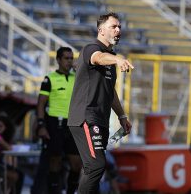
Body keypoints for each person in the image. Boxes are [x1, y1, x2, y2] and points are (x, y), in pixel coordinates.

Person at [67, 12, 134, 193]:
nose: (118, 30)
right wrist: (117, 59)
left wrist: (122, 116)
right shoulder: (92, 48)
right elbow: (97, 57)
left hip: (100, 120)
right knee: (96, 165)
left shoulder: (110, 59)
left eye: (119, 27)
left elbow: (110, 92)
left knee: (94, 171)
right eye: (114, 26)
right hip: (86, 118)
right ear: (101, 30)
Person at [35, 46, 81, 194]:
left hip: (74, 124)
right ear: (58, 60)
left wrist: (78, 68)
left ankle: (70, 191)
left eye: (71, 58)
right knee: (55, 161)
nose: (69, 61)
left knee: (76, 164)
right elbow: (41, 103)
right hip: (55, 123)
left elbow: (90, 77)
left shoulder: (77, 77)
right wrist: (41, 125)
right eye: (66, 58)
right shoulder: (50, 79)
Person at [0, 115, 24, 194]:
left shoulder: (0, 137)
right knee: (14, 175)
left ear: (6, 127)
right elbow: (9, 148)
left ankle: (3, 191)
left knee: (18, 174)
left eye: (0, 126)